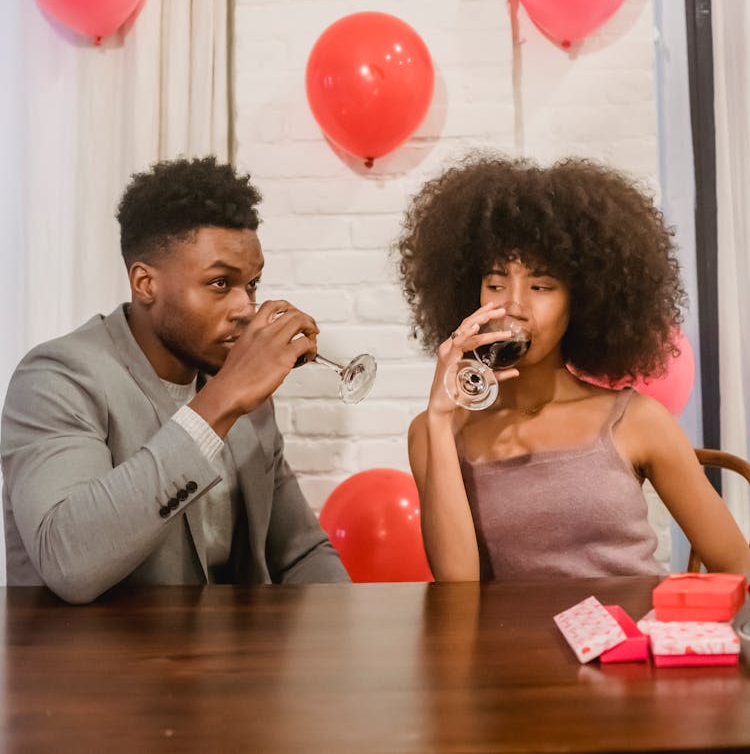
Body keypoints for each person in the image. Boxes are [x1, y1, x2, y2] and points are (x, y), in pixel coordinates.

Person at [2, 156, 349, 602]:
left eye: (253, 284)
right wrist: (222, 402)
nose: (245, 307)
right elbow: (70, 563)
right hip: (95, 667)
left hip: (230, 663)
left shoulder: (240, 390)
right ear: (145, 283)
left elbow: (300, 553)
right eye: (221, 284)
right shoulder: (57, 378)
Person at [397, 153, 750, 582]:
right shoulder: (435, 433)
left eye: (541, 286)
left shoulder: (635, 420)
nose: (514, 306)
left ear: (581, 301)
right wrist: (439, 418)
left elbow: (737, 566)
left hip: (627, 645)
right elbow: (459, 591)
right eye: (495, 283)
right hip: (510, 650)